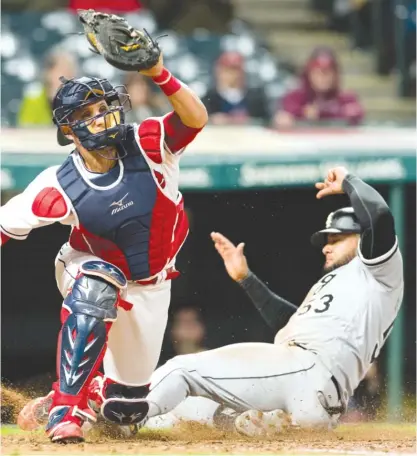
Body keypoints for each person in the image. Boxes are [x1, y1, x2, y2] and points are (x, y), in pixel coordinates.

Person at [1, 49, 208, 443]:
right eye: (86, 113)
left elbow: (195, 118)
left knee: (125, 413)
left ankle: (93, 394)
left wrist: (159, 73)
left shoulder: (148, 143)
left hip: (152, 286)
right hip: (88, 266)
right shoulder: (59, 184)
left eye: (103, 106)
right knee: (99, 280)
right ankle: (66, 407)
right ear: (68, 130)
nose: (101, 116)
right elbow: (5, 225)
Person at [124, 166, 403, 435]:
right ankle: (249, 421)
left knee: (180, 370)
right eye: (327, 239)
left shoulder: (378, 272)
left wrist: (348, 181)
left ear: (364, 239)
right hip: (315, 396)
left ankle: (125, 416)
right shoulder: (342, 288)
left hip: (306, 369)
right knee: (190, 410)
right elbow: (290, 324)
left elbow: (378, 215)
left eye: (338, 238)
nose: (327, 245)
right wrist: (247, 279)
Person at [274, 47, 364, 129]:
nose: (322, 78)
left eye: (327, 73)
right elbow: (284, 116)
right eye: (318, 73)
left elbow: (355, 112)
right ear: (308, 74)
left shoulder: (346, 98)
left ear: (335, 75)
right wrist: (299, 114)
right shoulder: (294, 98)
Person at [202, 51, 270, 126]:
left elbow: (266, 121)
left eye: (235, 70)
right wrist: (212, 119)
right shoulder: (209, 98)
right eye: (227, 70)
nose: (232, 74)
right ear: (219, 71)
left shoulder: (256, 97)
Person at [17, 49, 78, 127]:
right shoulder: (34, 98)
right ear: (49, 73)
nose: (68, 75)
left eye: (70, 70)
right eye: (62, 70)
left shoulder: (80, 99)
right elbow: (25, 129)